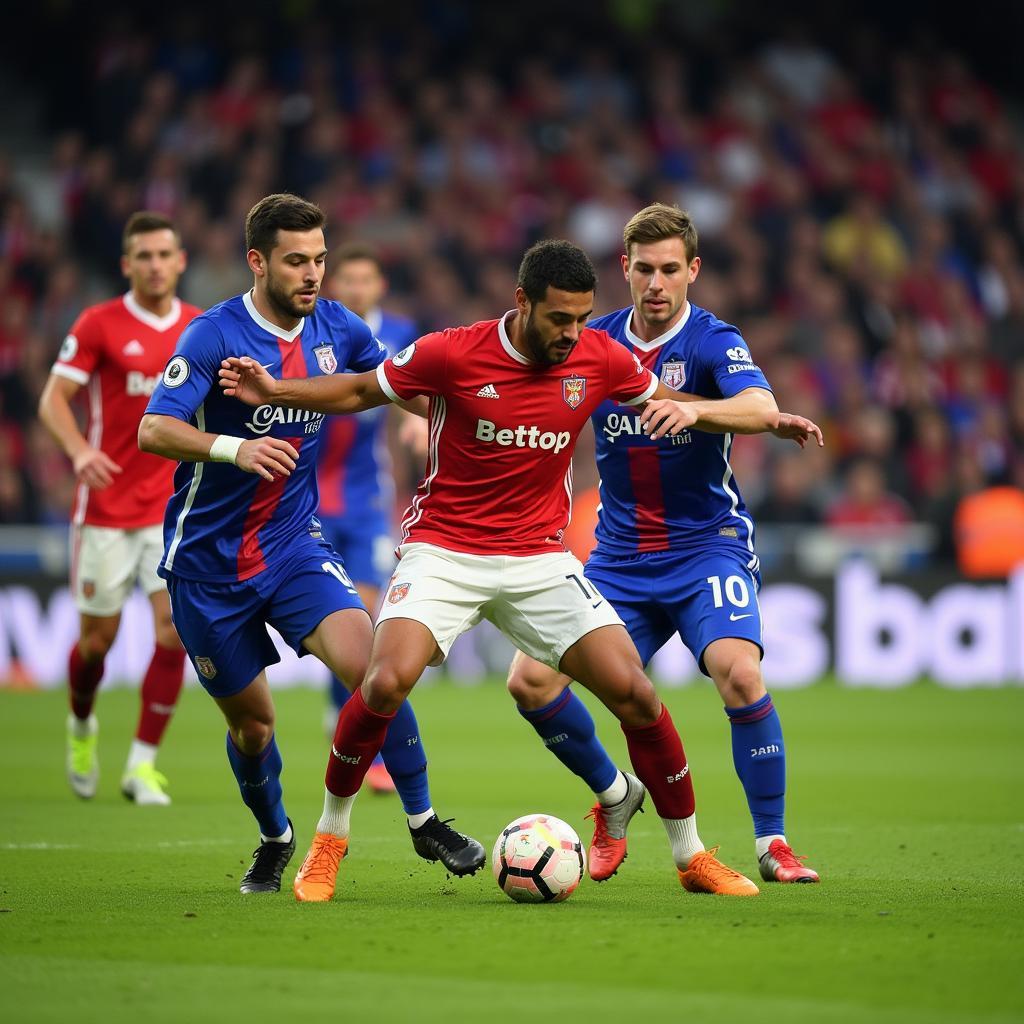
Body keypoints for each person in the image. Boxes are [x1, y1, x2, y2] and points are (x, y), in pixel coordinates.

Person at [220, 238, 811, 902]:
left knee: (637, 696)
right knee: (383, 683)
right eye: (559, 318)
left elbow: (674, 402)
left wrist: (763, 418)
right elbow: (362, 388)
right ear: (523, 302)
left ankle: (691, 854)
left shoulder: (599, 354)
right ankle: (329, 841)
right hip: (444, 549)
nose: (571, 334)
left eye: (583, 318)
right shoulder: (453, 351)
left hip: (538, 557)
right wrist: (277, 389)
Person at [138, 193, 484, 894]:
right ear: (258, 261)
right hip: (207, 568)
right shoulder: (212, 335)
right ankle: (275, 836)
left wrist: (456, 414)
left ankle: (424, 822)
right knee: (255, 730)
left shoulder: (339, 326)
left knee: (379, 674)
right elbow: (154, 430)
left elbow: (401, 385)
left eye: (320, 259)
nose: (313, 274)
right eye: (297, 261)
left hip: (295, 545)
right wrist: (235, 448)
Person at [506, 204, 823, 884]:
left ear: (693, 272)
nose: (656, 283)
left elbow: (759, 408)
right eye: (643, 269)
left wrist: (695, 408)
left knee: (740, 673)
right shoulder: (591, 340)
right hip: (618, 559)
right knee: (529, 681)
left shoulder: (712, 341)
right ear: (624, 269)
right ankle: (614, 794)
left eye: (670, 270)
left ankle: (773, 843)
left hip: (707, 549)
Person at [38, 211, 199, 806]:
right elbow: (53, 400)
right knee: (96, 644)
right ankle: (82, 723)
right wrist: (79, 452)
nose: (155, 265)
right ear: (126, 264)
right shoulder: (99, 323)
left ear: (181, 261)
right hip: (105, 510)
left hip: (174, 511)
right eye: (144, 255)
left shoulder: (198, 328)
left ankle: (141, 765)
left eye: (165, 254)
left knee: (174, 632)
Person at [317, 244, 419, 793]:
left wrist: (417, 423)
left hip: (366, 501)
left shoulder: (400, 333)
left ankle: (362, 743)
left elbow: (421, 390)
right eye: (347, 279)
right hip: (307, 499)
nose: (356, 289)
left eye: (366, 279)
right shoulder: (319, 331)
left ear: (379, 286)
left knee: (366, 615)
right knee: (344, 629)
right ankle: (347, 730)